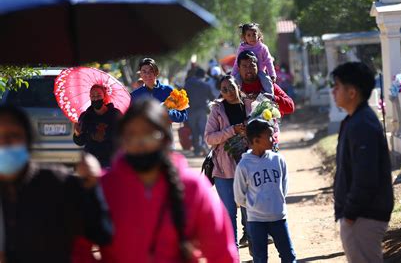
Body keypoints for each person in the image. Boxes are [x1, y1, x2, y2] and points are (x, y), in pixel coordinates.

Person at [98, 99, 238, 262]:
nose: (140, 143)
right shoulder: (104, 188)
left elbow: (222, 254)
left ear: (165, 139)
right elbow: (78, 249)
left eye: (148, 134)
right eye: (131, 135)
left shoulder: (194, 188)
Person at [0, 104, 112, 262]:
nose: (5, 143)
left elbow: (101, 233)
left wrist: (93, 188)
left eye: (14, 135)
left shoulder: (59, 184)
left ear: (29, 139)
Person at [331, 62, 394, 263]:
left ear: (352, 92)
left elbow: (366, 176)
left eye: (337, 86)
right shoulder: (354, 120)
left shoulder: (362, 124)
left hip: (363, 216)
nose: (333, 91)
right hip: (359, 215)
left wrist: (350, 213)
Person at [233, 119, 296, 263]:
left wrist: (276, 201)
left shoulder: (278, 160)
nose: (273, 139)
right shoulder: (244, 165)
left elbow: (284, 185)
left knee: (288, 255)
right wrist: (255, 206)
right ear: (255, 140)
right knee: (260, 258)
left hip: (279, 217)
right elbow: (239, 196)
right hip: (256, 221)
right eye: (269, 136)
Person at [204, 75, 251, 248]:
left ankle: (256, 251)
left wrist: (249, 131)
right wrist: (232, 130)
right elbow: (209, 137)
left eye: (231, 87)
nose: (229, 92)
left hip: (249, 168)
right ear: (220, 92)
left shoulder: (250, 106)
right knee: (229, 215)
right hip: (224, 170)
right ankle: (234, 256)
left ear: (237, 86)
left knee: (251, 214)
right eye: (224, 90)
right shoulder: (217, 110)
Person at [237, 50, 295, 142]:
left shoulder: (267, 86)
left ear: (257, 67)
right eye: (244, 66)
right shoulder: (233, 88)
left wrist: (268, 98)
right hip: (242, 144)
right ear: (238, 68)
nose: (248, 69)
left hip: (268, 142)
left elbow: (290, 107)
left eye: (252, 65)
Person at [73, 84, 122, 168]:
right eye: (92, 96)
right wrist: (77, 133)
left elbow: (123, 137)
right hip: (91, 162)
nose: (95, 98)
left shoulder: (115, 114)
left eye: (99, 95)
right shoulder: (85, 116)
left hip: (111, 161)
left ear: (105, 96)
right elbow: (80, 142)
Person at [130, 57, 188, 123]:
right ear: (140, 74)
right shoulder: (135, 95)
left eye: (151, 71)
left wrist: (168, 113)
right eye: (144, 72)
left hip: (164, 132)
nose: (147, 75)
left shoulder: (169, 91)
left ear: (157, 72)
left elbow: (183, 116)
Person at [231, 23, 276, 95]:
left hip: (260, 72)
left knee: (267, 81)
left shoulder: (262, 48)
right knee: (236, 80)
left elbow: (268, 61)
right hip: (244, 73)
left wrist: (272, 74)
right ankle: (236, 96)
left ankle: (271, 97)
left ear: (258, 35)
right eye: (248, 35)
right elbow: (237, 63)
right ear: (244, 37)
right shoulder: (242, 48)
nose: (252, 37)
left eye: (254, 34)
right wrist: (232, 75)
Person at [184, 67, 215, 156]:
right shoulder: (205, 85)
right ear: (203, 75)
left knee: (194, 131)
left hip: (190, 111)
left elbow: (183, 97)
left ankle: (197, 150)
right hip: (202, 111)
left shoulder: (188, 84)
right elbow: (212, 97)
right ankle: (205, 148)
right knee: (203, 131)